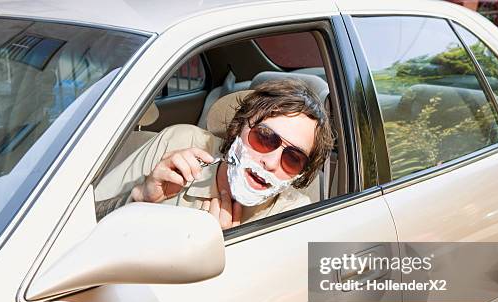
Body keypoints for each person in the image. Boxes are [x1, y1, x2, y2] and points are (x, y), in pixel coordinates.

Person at [95, 79, 334, 230]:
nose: (270, 162)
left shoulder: (293, 217)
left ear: (301, 173)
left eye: (293, 158)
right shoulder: (176, 143)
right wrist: (139, 196)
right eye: (264, 137)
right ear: (239, 128)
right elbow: (78, 225)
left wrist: (225, 251)